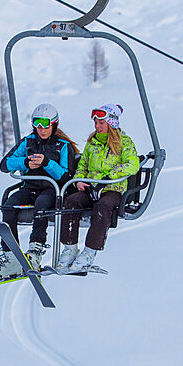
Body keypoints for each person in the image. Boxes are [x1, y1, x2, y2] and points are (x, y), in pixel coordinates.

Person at [0, 103, 80, 280]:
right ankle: (11, 257)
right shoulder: (28, 142)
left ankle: (35, 251)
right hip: (30, 187)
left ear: (54, 124)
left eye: (46, 124)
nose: (42, 128)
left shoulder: (62, 146)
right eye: (37, 123)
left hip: (52, 189)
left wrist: (47, 163)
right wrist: (25, 163)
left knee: (41, 206)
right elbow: (5, 164)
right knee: (9, 206)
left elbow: (66, 176)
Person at [57, 104, 139, 272]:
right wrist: (78, 181)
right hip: (91, 187)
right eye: (96, 122)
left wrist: (109, 178)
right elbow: (82, 166)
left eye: (101, 123)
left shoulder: (124, 142)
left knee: (103, 207)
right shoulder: (92, 143)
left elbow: (132, 164)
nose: (97, 127)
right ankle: (70, 248)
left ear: (111, 123)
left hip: (112, 188)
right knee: (71, 202)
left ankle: (89, 252)